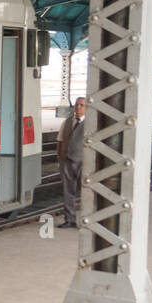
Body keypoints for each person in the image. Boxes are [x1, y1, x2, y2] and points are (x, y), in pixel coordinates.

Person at [57, 96, 87, 228]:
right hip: (67, 161)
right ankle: (70, 219)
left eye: (81, 105)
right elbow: (60, 140)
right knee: (68, 192)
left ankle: (86, 221)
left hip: (84, 162)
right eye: (77, 105)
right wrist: (60, 158)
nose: (78, 107)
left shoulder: (91, 124)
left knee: (87, 192)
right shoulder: (67, 122)